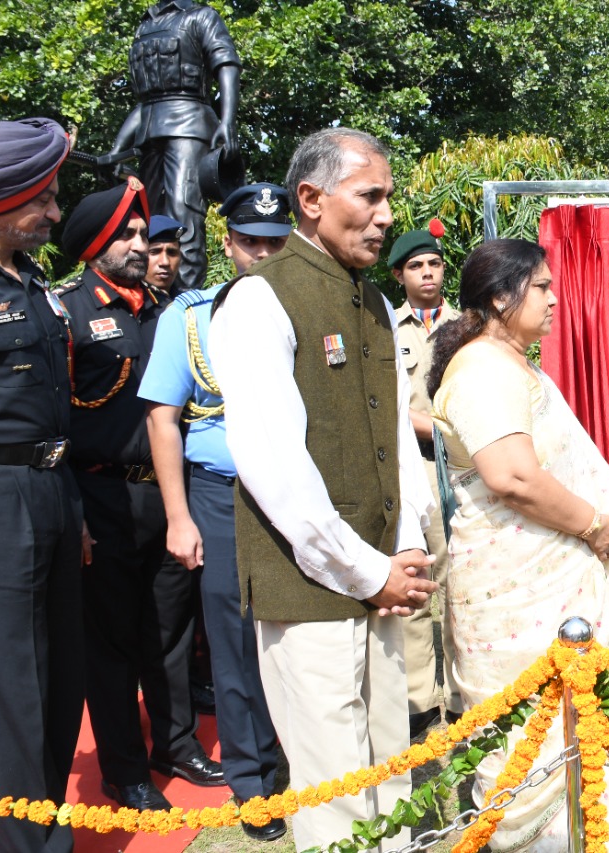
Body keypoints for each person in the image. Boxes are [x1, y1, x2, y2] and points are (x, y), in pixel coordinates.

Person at [208, 129, 436, 851]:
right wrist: (372, 572)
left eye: (388, 197)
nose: (387, 214)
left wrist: (403, 555)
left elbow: (397, 437)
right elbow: (275, 468)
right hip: (312, 589)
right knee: (335, 791)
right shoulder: (257, 301)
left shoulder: (370, 301)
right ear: (311, 200)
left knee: (390, 767)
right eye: (370, 196)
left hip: (382, 580)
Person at [428, 238, 609, 851]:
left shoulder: (513, 363)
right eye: (543, 288)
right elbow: (513, 478)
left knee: (572, 725)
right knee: (525, 740)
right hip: (514, 585)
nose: (556, 299)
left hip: (548, 578)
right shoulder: (483, 368)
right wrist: (594, 525)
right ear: (501, 297)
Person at [56, 178, 225, 812]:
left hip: (168, 496)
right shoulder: (67, 311)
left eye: (139, 233)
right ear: (95, 244)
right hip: (100, 497)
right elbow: (52, 419)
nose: (138, 244)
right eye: (125, 235)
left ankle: (176, 744)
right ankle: (124, 768)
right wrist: (74, 512)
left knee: (172, 629)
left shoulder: (167, 309)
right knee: (113, 641)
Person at [137, 182, 294, 842]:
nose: (262, 253)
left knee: (292, 634)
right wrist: (178, 515)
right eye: (250, 242)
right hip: (220, 495)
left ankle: (299, 760)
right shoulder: (189, 317)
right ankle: (254, 782)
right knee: (231, 643)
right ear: (228, 244)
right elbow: (162, 418)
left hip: (292, 493)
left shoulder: (306, 307)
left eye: (274, 242)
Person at [0, 116, 84, 853]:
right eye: (44, 199)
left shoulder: (29, 280)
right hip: (4, 502)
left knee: (61, 673)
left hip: (54, 492)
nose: (55, 213)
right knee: (16, 684)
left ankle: (51, 824)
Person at [387, 223, 463, 735]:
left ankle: (461, 693)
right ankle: (417, 699)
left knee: (462, 580)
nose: (428, 272)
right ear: (400, 275)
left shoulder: (468, 325)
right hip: (409, 465)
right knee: (414, 581)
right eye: (416, 266)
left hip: (459, 468)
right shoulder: (386, 328)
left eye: (433, 263)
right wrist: (433, 430)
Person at [112, 0, 241, 293]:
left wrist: (228, 120)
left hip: (189, 124)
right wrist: (118, 147)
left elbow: (227, 64)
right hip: (148, 129)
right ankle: (150, 298)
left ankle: (186, 300)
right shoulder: (144, 25)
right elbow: (145, 101)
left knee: (185, 215)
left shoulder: (201, 17)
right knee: (148, 220)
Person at [146, 214, 185, 294]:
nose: (165, 262)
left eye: (172, 253)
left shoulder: (188, 303)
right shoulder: (129, 303)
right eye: (155, 252)